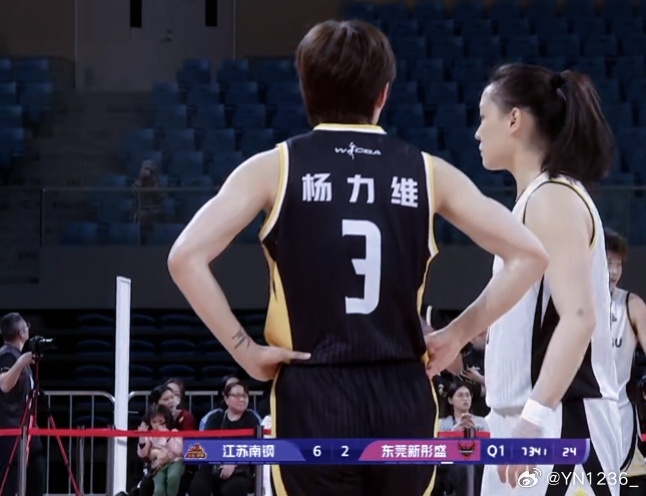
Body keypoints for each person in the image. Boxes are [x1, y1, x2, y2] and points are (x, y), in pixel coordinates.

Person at [167, 20, 548, 496]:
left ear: (305, 89)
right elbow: (529, 255)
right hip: (402, 390)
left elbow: (185, 257)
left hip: (314, 391)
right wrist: (456, 334)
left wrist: (245, 350)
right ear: (383, 94)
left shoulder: (273, 168)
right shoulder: (428, 172)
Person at [433, 63, 620, 495]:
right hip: (521, 419)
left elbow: (579, 318)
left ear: (514, 119)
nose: (477, 132)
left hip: (559, 419)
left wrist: (533, 420)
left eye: (484, 117)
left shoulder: (553, 197)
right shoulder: (533, 200)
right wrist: (454, 335)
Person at [605, 228, 646, 494]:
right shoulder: (568, 305)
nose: (614, 272)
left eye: (618, 264)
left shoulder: (632, 304)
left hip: (621, 418)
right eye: (608, 263)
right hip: (579, 420)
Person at [0, 313, 44, 496]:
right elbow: (4, 384)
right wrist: (21, 363)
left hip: (28, 431)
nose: (28, 328)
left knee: (36, 481)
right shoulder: (7, 355)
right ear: (20, 333)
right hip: (11, 433)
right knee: (9, 486)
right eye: (26, 326)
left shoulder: (18, 355)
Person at [137, 404, 184, 496]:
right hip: (158, 465)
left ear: (166, 420)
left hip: (175, 462)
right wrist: (141, 438)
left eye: (160, 421)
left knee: (173, 477)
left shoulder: (174, 432)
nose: (157, 425)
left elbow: (178, 451)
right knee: (159, 491)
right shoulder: (150, 435)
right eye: (154, 422)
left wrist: (167, 436)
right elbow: (142, 454)